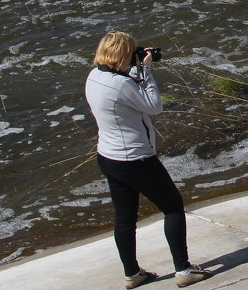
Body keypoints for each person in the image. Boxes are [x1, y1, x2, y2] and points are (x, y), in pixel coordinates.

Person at [85, 32, 210, 288]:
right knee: (173, 206)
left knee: (125, 218)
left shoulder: (95, 77)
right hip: (135, 159)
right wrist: (146, 71)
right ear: (124, 55)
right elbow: (153, 106)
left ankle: (132, 274)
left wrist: (136, 70)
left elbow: (122, 91)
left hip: (109, 157)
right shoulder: (121, 84)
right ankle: (184, 271)